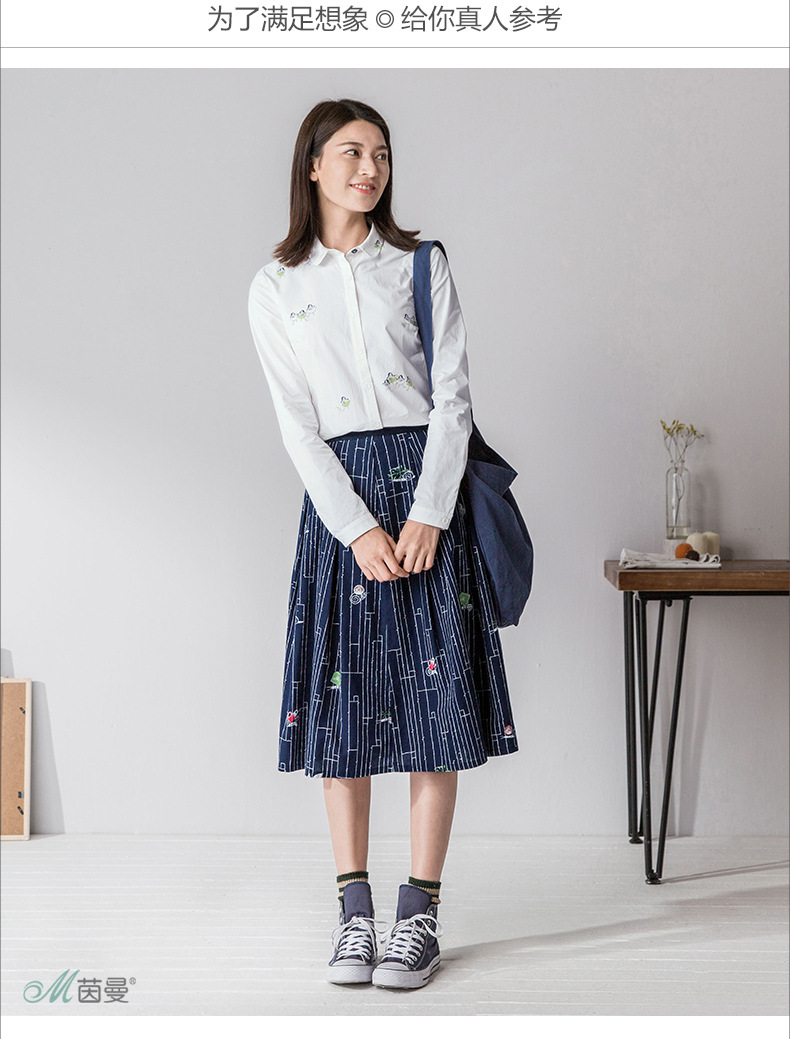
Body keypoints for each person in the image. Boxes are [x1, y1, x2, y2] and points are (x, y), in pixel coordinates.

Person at [247, 98, 519, 990]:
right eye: (352, 152)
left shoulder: (419, 264)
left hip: (426, 488)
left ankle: (420, 916)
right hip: (343, 506)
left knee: (436, 710)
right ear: (313, 165)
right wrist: (358, 526)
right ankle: (354, 917)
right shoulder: (275, 286)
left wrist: (430, 512)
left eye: (383, 154)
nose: (371, 169)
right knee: (345, 711)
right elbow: (296, 426)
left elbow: (454, 397)